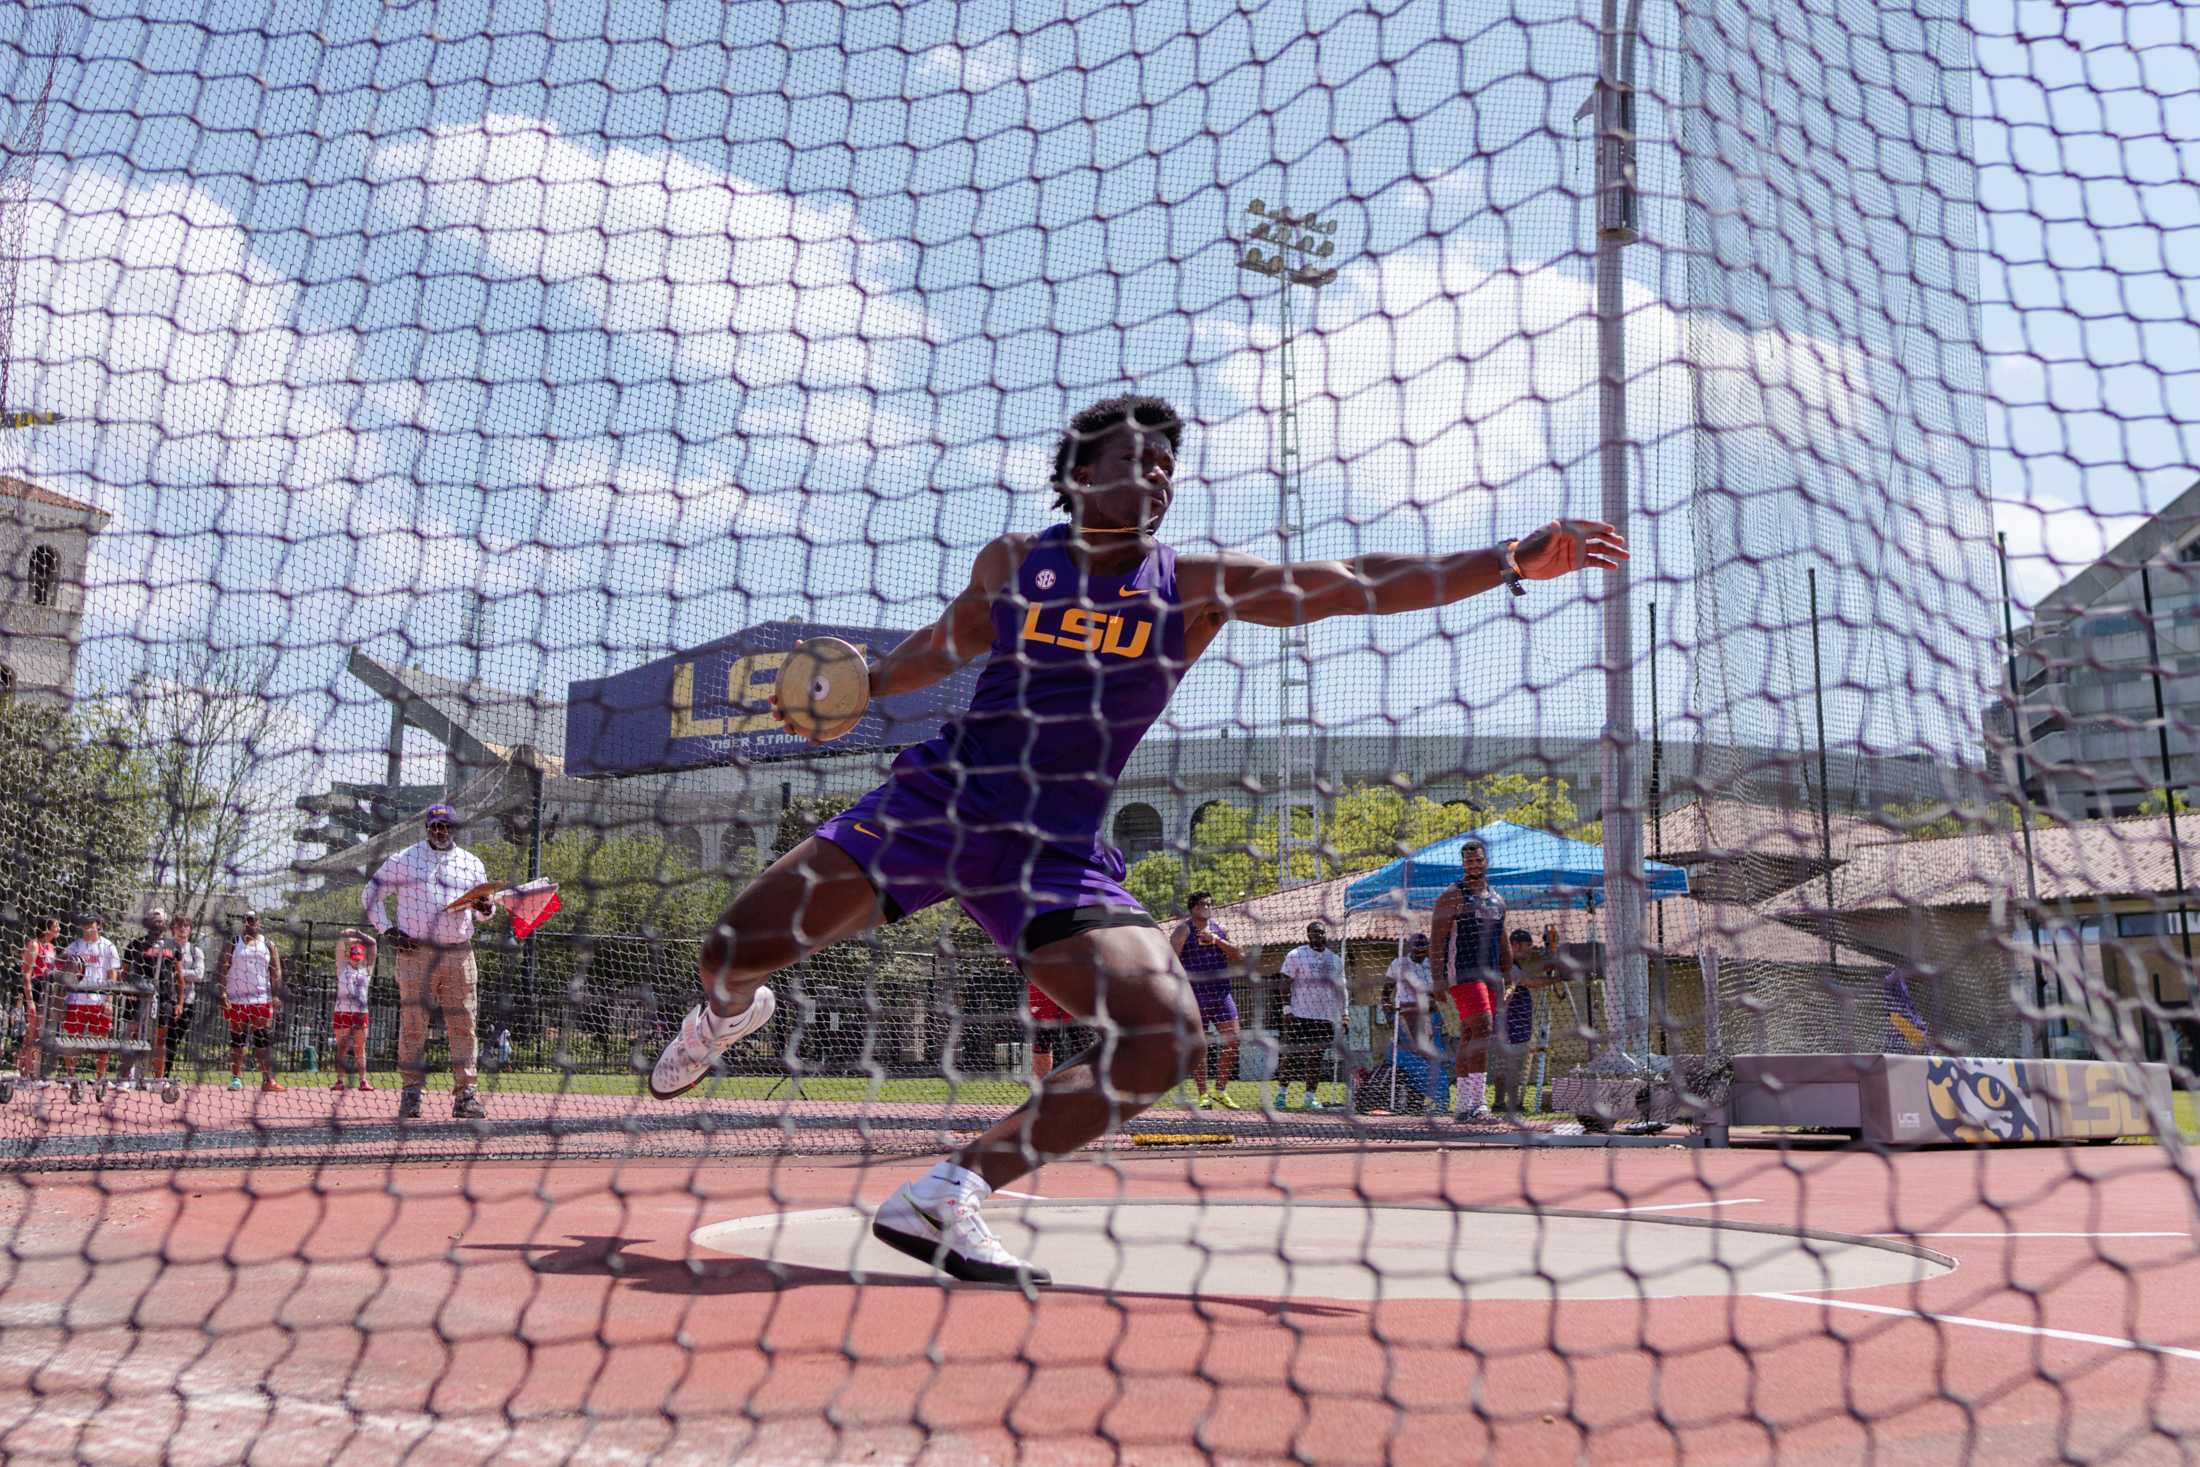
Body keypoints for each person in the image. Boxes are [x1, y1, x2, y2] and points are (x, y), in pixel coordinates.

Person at [644, 393, 1625, 1285]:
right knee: (727, 950)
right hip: (937, 809)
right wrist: (856, 682)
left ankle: (948, 1194)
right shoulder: (1012, 565)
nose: (1156, 477)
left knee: (1162, 1040)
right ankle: (729, 1013)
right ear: (1078, 477)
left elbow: (1349, 581)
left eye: (1166, 466)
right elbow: (930, 656)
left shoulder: (1192, 586)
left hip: (1054, 852)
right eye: (1134, 461)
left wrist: (1502, 561)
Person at [364, 803, 498, 1121]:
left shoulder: (471, 864)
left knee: (464, 1024)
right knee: (413, 1024)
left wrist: (487, 906)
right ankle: (412, 1093)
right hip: (415, 952)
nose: (440, 831)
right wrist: (388, 930)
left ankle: (466, 1096)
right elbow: (370, 893)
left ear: (454, 829)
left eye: (446, 826)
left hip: (459, 952)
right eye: (435, 826)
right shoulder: (404, 859)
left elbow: (483, 914)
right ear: (427, 828)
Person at [1432, 836, 1508, 1123]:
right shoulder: (1452, 895)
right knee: (1483, 1031)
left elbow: (1502, 937)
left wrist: (1507, 970)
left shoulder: (1497, 899)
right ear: (1462, 864)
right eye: (1468, 861)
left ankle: (1463, 1106)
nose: (1474, 864)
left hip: (1490, 974)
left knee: (1469, 1035)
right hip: (1462, 972)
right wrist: (1437, 979)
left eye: (1478, 859)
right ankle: (1478, 1103)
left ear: (1486, 862)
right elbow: (1437, 940)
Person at [1171, 891, 1245, 1109]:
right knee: (1198, 1045)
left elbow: (1239, 954)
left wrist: (1216, 940)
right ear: (1193, 907)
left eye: (1210, 904)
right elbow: (1170, 959)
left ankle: (1220, 1090)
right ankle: (1203, 1093)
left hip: (1221, 993)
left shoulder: (1220, 928)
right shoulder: (1184, 929)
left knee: (1233, 1040)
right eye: (1203, 904)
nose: (1207, 907)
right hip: (1195, 995)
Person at [1276, 921, 1348, 1112]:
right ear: (1308, 935)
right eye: (1313, 933)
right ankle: (1281, 1095)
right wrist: (1286, 1008)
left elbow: (1342, 990)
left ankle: (1309, 1097)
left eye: (1321, 932)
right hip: (1299, 1014)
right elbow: (1285, 982)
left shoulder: (1335, 960)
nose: (1318, 935)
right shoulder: (1296, 955)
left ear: (1326, 934)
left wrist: (1345, 1014)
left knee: (1315, 1057)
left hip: (1324, 1017)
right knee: (1290, 1056)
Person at [1491, 928, 1558, 1115]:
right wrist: (1557, 979)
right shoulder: (1507, 966)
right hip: (1508, 1024)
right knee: (1508, 1065)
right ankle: (1505, 1103)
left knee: (1512, 1065)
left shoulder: (1513, 964)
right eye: (1527, 946)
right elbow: (1530, 982)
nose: (1529, 950)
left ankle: (1507, 1103)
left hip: (1516, 1024)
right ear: (1515, 945)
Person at [215, 910, 285, 1092]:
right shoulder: (233, 943)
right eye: (246, 920)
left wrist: (276, 995)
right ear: (243, 922)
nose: (249, 923)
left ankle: (268, 1080)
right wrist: (222, 993)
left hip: (261, 998)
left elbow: (276, 971)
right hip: (237, 999)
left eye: (253, 920)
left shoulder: (268, 944)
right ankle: (236, 1078)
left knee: (263, 1039)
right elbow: (222, 968)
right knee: (237, 1039)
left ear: (259, 923)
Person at [121, 909, 182, 1090]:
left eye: (160, 920)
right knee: (132, 1034)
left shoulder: (173, 946)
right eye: (153, 920)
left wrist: (179, 1002)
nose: (157, 923)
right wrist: (128, 990)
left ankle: (158, 1079)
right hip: (138, 995)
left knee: (160, 1039)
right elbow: (124, 972)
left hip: (163, 997)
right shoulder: (135, 944)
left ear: (165, 924)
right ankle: (126, 1077)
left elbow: (179, 976)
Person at [1381, 931, 1442, 1113]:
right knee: (1407, 1058)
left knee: (1425, 1059)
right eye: (1418, 949)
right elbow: (1386, 993)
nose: (1421, 953)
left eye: (1424, 950)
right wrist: (1388, 1014)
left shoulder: (1431, 966)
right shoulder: (1398, 964)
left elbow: (1435, 996)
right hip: (1404, 1016)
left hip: (1426, 1015)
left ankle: (1418, 1101)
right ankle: (1403, 1099)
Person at [59, 916, 122, 1090]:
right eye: (84, 925)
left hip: (99, 1001)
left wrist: (109, 1000)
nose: (87, 928)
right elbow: (61, 965)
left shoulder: (108, 946)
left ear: (99, 926)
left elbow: (113, 974)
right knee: (71, 1040)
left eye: (91, 925)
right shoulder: (74, 946)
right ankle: (70, 1078)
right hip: (76, 1000)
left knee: (102, 1041)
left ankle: (100, 1080)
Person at [330, 928, 377, 1090]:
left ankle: (363, 1080)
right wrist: (346, 938)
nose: (356, 960)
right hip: (343, 1012)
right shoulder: (342, 968)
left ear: (362, 958)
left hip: (360, 1013)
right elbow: (339, 947)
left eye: (358, 958)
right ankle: (340, 1081)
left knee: (360, 1048)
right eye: (353, 957)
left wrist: (358, 933)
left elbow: (373, 944)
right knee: (342, 1047)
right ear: (349, 956)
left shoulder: (367, 971)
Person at [15, 916, 58, 1086]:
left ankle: (33, 1074)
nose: (59, 930)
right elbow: (26, 974)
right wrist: (30, 1000)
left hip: (48, 990)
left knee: (40, 1033)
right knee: (31, 1032)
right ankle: (26, 1075)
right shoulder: (34, 945)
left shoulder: (52, 947)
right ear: (47, 929)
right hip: (35, 989)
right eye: (56, 926)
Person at [166, 913, 204, 1078]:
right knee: (165, 1038)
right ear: (172, 929)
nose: (182, 929)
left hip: (187, 1000)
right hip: (166, 999)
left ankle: (164, 1073)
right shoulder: (164, 947)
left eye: (186, 926)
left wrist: (178, 973)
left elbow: (199, 974)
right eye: (179, 925)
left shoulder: (195, 951)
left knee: (175, 1039)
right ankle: (160, 1075)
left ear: (190, 929)